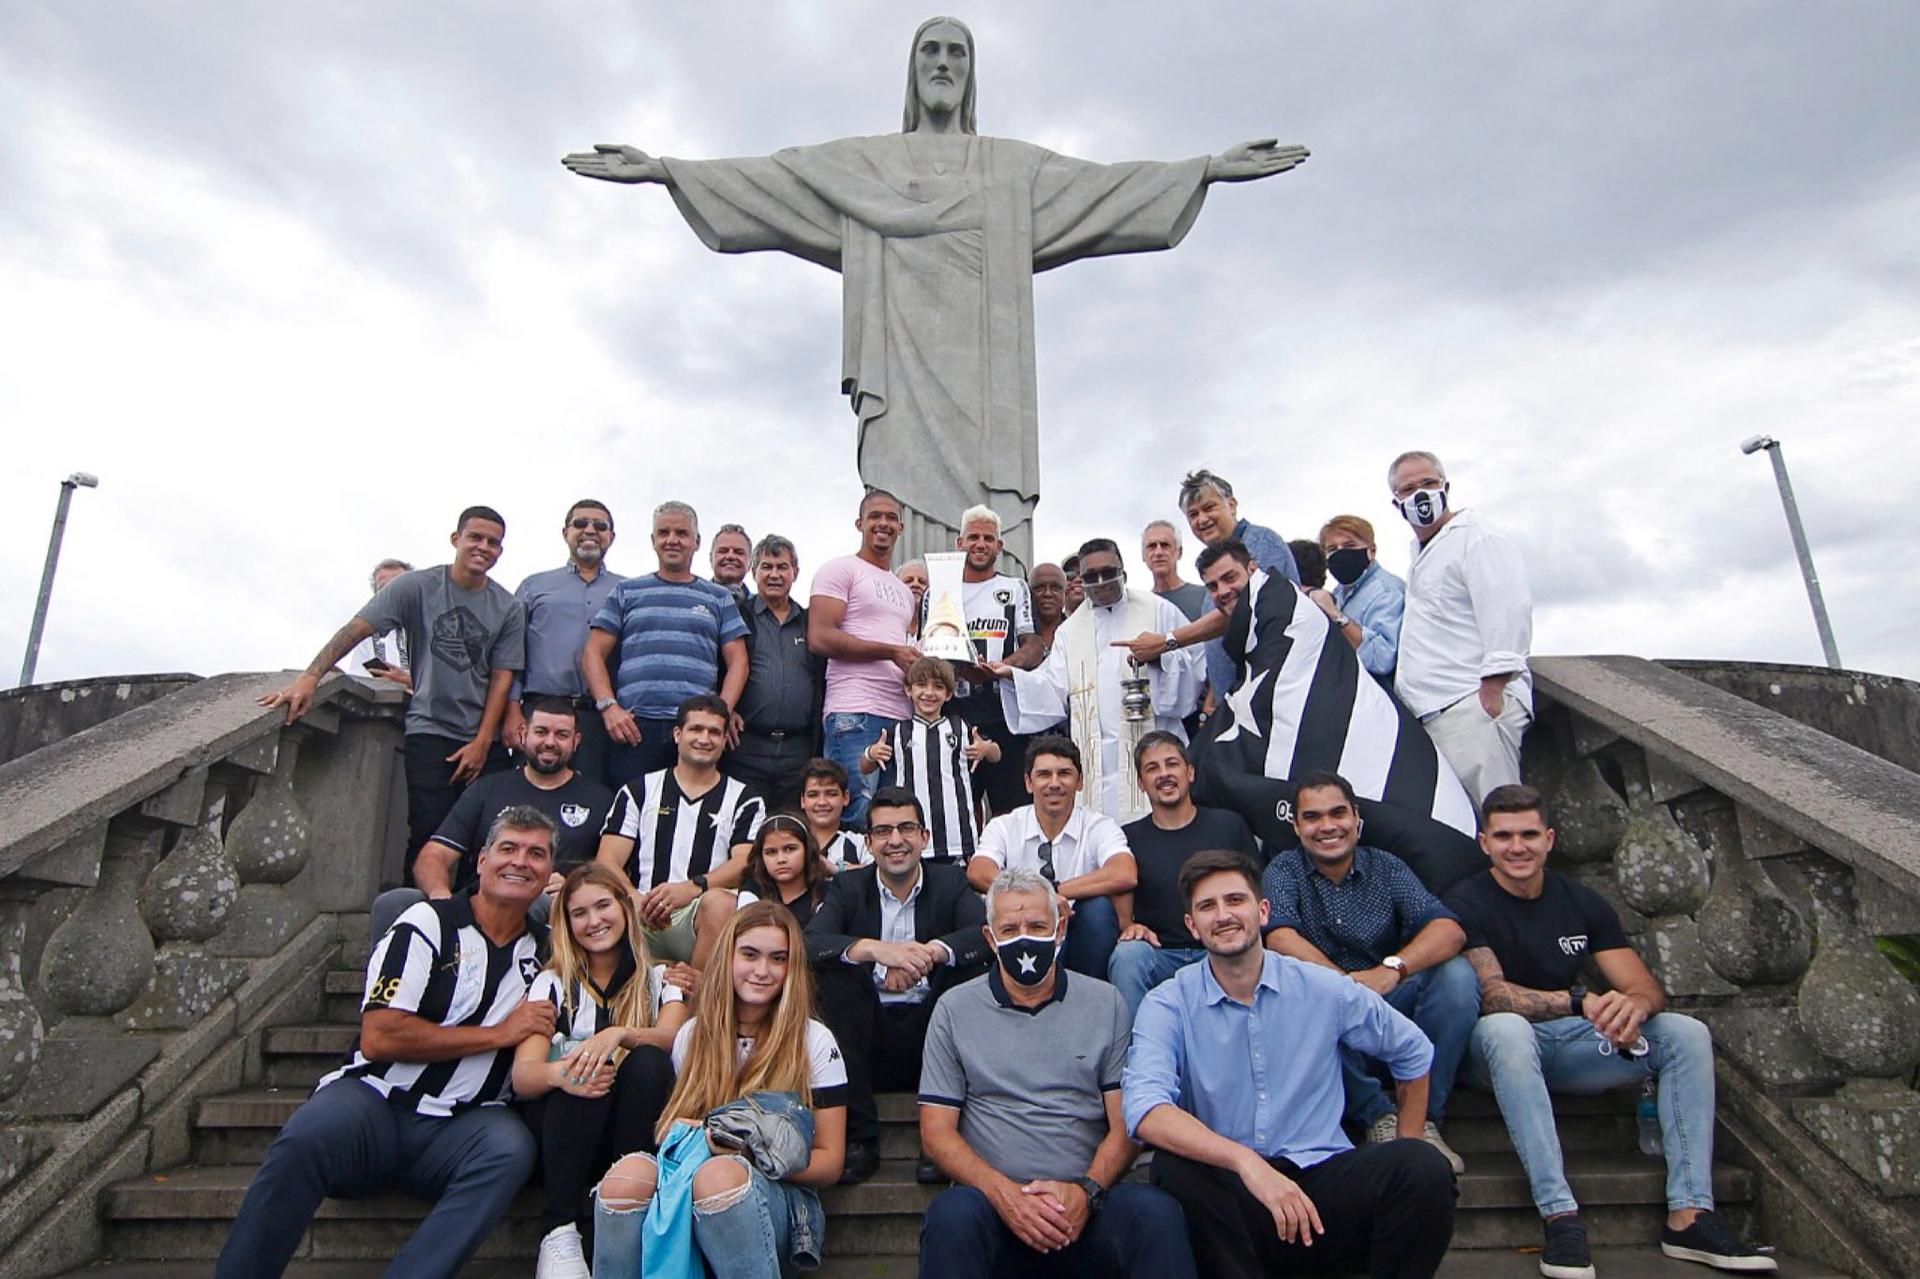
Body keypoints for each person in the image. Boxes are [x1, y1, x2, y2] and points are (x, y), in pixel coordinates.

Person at [564, 15, 1308, 572]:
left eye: (958, 53)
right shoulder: (866, 165)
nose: (944, 63)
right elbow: (773, 179)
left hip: (988, 390)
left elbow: (1106, 188)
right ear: (912, 71)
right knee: (906, 526)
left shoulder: (1011, 169)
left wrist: (1204, 168)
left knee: (991, 525)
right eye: (931, 50)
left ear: (972, 73)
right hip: (904, 373)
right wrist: (666, 169)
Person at [1446, 785, 1776, 1276]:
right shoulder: (1465, 899)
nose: (1518, 846)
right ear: (1484, 843)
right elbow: (1494, 996)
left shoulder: (1581, 902)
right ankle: (1560, 1217)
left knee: (1683, 1032)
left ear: (1550, 838)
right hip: (1492, 1053)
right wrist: (1578, 1000)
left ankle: (1690, 1216)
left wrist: (1633, 1007)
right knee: (1506, 1030)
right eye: (1505, 836)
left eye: (1529, 834)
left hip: (1568, 1046)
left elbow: (1645, 985)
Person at [215, 807, 556, 1279]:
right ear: (479, 861)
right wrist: (501, 1033)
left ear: (549, 875)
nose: (520, 862)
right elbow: (381, 1036)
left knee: (512, 1149)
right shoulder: (426, 922)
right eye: (508, 849)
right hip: (372, 1101)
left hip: (463, 1124)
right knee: (307, 1136)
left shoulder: (546, 952)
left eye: (536, 853)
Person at [1123, 849, 1456, 1279]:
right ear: (1191, 925)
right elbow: (1146, 1110)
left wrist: (1407, 1138)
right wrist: (1247, 1163)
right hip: (1232, 1201)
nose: (1223, 915)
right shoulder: (1168, 1003)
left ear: (1262, 911)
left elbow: (1412, 1051)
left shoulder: (1321, 988)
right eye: (1207, 906)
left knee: (1423, 1166)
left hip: (1322, 1185)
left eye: (1235, 900)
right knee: (1175, 1167)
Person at [916, 866, 1198, 1279]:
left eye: (1036, 924)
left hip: (1088, 1203)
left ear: (1061, 928)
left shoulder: (1107, 1003)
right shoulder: (954, 1010)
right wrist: (1005, 1196)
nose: (1024, 937)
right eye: (1010, 928)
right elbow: (936, 1133)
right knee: (951, 1216)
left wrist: (1087, 1191)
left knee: (1154, 1213)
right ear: (991, 939)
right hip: (995, 1208)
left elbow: (1126, 1123)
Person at [590, 902, 849, 1277]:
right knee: (626, 1177)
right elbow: (672, 1133)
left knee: (719, 1176)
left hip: (777, 1203)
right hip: (689, 1189)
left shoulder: (814, 1040)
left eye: (778, 959)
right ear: (727, 957)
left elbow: (830, 1163)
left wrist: (749, 1152)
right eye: (749, 955)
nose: (763, 971)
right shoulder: (692, 1036)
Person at [260, 507, 524, 872]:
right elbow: (357, 628)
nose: (484, 547)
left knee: (489, 839)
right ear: (456, 540)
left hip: (484, 739)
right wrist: (310, 677)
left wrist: (482, 742)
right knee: (428, 834)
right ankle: (422, 918)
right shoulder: (416, 587)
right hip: (430, 729)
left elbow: (502, 677)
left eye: (493, 542)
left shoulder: (508, 607)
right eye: (475, 538)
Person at [1261, 771, 1476, 1175]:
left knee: (1457, 978)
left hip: (1388, 1000)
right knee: (1295, 995)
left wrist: (1391, 970)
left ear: (1356, 817)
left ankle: (1424, 1118)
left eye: (1337, 813)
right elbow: (1279, 937)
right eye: (1313, 817)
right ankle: (1380, 1117)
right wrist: (1342, 986)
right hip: (1327, 1016)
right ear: (1296, 825)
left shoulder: (1387, 867)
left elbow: (1449, 929)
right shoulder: (1283, 870)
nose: (1327, 826)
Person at [805, 786, 990, 1184]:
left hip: (932, 1036)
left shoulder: (951, 882)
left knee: (970, 974)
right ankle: (859, 1139)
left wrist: (930, 954)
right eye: (884, 831)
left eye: (906, 828)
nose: (896, 841)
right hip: (867, 1037)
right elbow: (811, 942)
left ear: (924, 836)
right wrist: (875, 952)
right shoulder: (848, 888)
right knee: (834, 978)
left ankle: (941, 1140)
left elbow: (984, 934)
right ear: (868, 842)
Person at [514, 863, 687, 1279]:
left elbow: (672, 1039)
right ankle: (559, 1230)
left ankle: (625, 1206)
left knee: (645, 1061)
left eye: (603, 906)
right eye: (579, 913)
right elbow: (523, 1076)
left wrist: (619, 1035)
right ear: (566, 923)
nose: (594, 921)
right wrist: (565, 1073)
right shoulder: (552, 982)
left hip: (632, 1133)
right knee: (585, 1075)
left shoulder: (661, 979)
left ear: (626, 908)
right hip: (566, 1133)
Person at [989, 538, 1202, 823]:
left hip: (1150, 745)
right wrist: (1014, 678)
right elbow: (1053, 688)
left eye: (1108, 572)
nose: (1101, 582)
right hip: (1095, 764)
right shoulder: (1072, 630)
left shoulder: (1157, 610)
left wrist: (1160, 656)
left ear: (1123, 571)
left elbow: (1195, 670)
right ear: (1081, 580)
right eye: (1091, 576)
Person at [1389, 450, 1533, 804]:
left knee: (1502, 817)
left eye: (1428, 483)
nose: (1420, 495)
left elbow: (1507, 609)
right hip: (1434, 714)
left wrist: (1492, 691)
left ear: (1446, 486)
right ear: (1397, 503)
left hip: (1471, 707)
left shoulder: (1477, 537)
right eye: (1408, 489)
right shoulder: (1423, 551)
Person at [584, 500, 749, 789]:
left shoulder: (718, 598)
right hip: (634, 728)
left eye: (682, 534)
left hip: (695, 730)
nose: (672, 540)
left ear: (696, 542)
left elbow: (739, 662)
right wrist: (609, 707)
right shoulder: (626, 591)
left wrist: (720, 712)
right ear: (653, 540)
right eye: (664, 533)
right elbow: (593, 652)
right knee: (631, 817)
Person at [596, 694, 766, 968]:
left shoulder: (744, 798)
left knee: (721, 903)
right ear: (677, 734)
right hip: (641, 909)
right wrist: (633, 897)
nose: (704, 738)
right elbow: (606, 860)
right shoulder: (639, 790)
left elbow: (745, 861)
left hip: (699, 912)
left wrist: (692, 887)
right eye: (695, 729)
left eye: (714, 732)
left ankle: (697, 999)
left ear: (725, 741)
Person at [1108, 731, 1260, 1018]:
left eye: (1172, 764)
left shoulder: (1228, 824)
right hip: (1161, 954)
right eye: (1152, 768)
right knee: (1128, 956)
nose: (1164, 774)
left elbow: (1256, 890)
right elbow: (1119, 902)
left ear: (1190, 772)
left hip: (1220, 946)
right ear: (1141, 783)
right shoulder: (1125, 839)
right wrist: (1131, 927)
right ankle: (1137, 1056)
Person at [969, 737, 1136, 980]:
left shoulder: (1099, 825)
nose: (1054, 783)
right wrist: (1040, 899)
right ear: (1028, 782)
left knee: (1097, 909)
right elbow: (978, 871)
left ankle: (1089, 997)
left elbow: (1124, 872)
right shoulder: (1005, 825)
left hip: (1084, 937)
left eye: (1064, 774)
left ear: (1079, 782)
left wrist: (1056, 892)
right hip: (1022, 929)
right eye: (1044, 774)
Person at [808, 489, 920, 827]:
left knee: (890, 821)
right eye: (875, 516)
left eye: (890, 518)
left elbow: (906, 648)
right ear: (860, 523)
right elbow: (820, 636)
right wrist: (890, 651)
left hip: (900, 716)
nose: (883, 523)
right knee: (856, 817)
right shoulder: (840, 569)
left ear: (901, 527)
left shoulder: (903, 591)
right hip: (854, 713)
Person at [932, 505, 1045, 817]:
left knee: (1013, 813)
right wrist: (957, 670)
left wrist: (1004, 667)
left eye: (988, 538)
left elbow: (1033, 644)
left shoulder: (1014, 587)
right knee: (955, 811)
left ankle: (1015, 869)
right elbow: (929, 651)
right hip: (953, 714)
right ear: (960, 543)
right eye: (973, 537)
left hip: (1005, 715)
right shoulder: (938, 591)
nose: (980, 544)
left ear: (999, 545)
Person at [508, 500, 624, 788]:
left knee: (592, 798)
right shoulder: (533, 586)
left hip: (601, 718)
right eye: (581, 523)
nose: (590, 531)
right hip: (539, 711)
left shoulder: (628, 590)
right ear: (565, 532)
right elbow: (510, 650)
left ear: (611, 536)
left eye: (600, 526)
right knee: (527, 796)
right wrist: (511, 710)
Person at [1173, 469, 1301, 704]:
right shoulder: (1215, 564)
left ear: (1231, 504)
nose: (1201, 519)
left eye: (1209, 507)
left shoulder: (1261, 542)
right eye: (1193, 514)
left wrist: (1167, 641)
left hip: (1274, 699)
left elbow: (1244, 607)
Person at [861, 656, 996, 863]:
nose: (929, 693)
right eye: (921, 685)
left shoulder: (960, 727)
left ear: (948, 694)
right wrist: (871, 753)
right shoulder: (898, 731)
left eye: (938, 687)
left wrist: (986, 748)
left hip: (957, 836)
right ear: (909, 690)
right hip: (911, 837)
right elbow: (865, 767)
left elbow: (996, 755)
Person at [731, 534, 824, 810]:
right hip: (747, 745)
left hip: (799, 749)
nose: (774, 574)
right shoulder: (738, 616)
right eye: (766, 567)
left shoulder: (811, 622)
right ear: (753, 572)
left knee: (790, 830)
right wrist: (727, 708)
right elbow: (721, 667)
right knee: (746, 830)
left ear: (795, 572)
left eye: (782, 567)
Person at [1318, 513, 1405, 683]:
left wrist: (1337, 617)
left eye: (1349, 545)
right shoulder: (1338, 593)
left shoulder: (1387, 591)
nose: (1341, 554)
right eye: (1332, 549)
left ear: (1371, 551)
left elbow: (1383, 658)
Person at [733, 813, 833, 928]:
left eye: (790, 849)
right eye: (771, 852)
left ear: (807, 850)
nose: (781, 859)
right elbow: (746, 930)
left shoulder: (827, 892)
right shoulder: (753, 889)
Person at [343, 558, 414, 685]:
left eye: (397, 585)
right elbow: (358, 677)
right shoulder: (366, 636)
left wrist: (409, 681)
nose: (391, 593)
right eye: (384, 589)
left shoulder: (433, 627)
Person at [798, 757, 865, 869]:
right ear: (803, 800)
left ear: (845, 797)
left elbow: (880, 872)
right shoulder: (791, 839)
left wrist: (837, 869)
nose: (822, 802)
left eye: (831, 794)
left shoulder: (861, 840)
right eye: (813, 795)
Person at [1142, 519, 1208, 621]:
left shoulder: (1205, 597)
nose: (1158, 552)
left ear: (1179, 552)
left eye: (1165, 545)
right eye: (1151, 546)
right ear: (1143, 556)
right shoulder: (1141, 606)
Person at [1028, 562, 1069, 657]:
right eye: (1039, 588)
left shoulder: (1076, 630)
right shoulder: (1016, 633)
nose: (1048, 594)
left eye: (1055, 588)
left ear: (1065, 593)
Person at [710, 522, 753, 604]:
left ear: (750, 563)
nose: (730, 556)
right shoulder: (692, 600)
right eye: (723, 551)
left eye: (739, 552)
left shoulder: (763, 611)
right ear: (711, 559)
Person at [897, 558, 930, 640]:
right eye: (908, 581)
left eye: (922, 582)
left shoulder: (935, 628)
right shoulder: (885, 627)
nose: (916, 584)